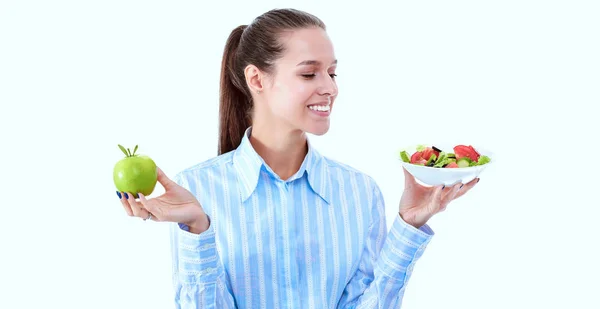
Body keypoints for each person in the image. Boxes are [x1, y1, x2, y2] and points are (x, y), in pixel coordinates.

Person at [117, 8, 480, 309]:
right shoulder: (196, 190)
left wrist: (408, 226)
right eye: (309, 73)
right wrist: (198, 227)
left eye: (332, 72)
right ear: (256, 80)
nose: (331, 87)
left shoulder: (358, 191)